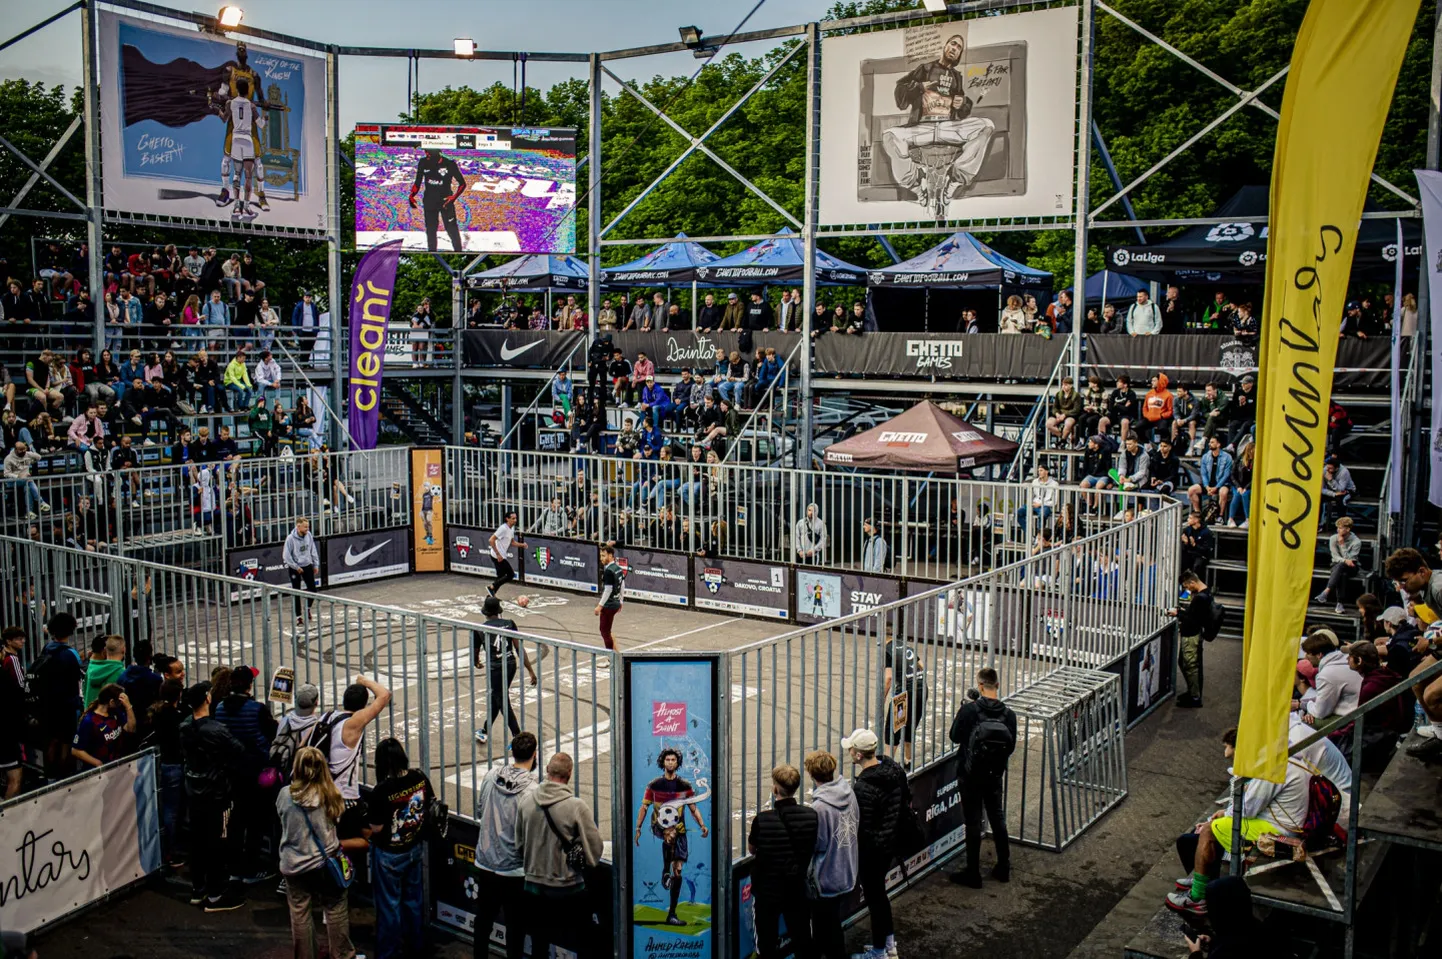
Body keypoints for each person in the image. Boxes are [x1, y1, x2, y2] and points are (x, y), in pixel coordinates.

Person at [1166, 727, 1325, 917]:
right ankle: (1204, 877)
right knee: (1218, 824)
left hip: (1279, 831)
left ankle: (1198, 897)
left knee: (1209, 829)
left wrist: (1226, 814)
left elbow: (1247, 809)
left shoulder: (1272, 767)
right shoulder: (1289, 758)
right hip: (1285, 824)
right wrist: (1227, 812)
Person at [882, 33, 994, 210]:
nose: (954, 49)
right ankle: (917, 185)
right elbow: (900, 92)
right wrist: (919, 87)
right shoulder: (925, 69)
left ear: (959, 54)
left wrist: (962, 103)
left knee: (986, 125)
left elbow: (963, 110)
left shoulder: (956, 77)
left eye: (959, 48)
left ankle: (955, 178)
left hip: (948, 126)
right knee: (889, 136)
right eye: (953, 44)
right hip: (922, 126)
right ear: (945, 46)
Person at [517, 752, 604, 959]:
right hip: (568, 887)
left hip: (534, 886)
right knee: (583, 940)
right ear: (570, 774)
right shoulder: (576, 807)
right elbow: (595, 850)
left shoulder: (527, 802)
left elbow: (519, 844)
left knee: (539, 943)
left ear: (547, 770)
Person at [278, 746, 359, 959]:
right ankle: (342, 954)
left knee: (300, 913)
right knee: (335, 909)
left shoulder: (285, 795)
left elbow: (281, 816)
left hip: (294, 864)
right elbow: (338, 819)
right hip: (325, 863)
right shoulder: (332, 795)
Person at [179, 680, 247, 912]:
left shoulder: (186, 726)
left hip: (194, 790)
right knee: (219, 841)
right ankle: (217, 894)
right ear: (208, 699)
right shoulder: (215, 730)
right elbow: (238, 750)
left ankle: (199, 888)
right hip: (216, 793)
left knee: (197, 842)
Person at [471, 730, 538, 959]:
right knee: (515, 927)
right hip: (514, 868)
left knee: (483, 921)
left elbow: (480, 810)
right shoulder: (533, 790)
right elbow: (533, 833)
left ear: (513, 752)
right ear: (534, 755)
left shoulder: (491, 776)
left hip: (486, 861)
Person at [947, 667, 1016, 887]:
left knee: (973, 822)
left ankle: (973, 872)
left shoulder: (970, 711)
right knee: (998, 818)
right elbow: (1011, 746)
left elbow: (954, 736)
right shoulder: (1009, 715)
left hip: (970, 774)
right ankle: (1003, 866)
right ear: (997, 685)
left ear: (979, 685)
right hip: (994, 774)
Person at [368, 738, 434, 959]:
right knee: (413, 902)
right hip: (414, 848)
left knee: (389, 908)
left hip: (390, 854)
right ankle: (416, 946)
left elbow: (376, 828)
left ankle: (389, 953)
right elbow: (430, 802)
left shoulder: (381, 790)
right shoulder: (419, 777)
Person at [846, 728, 909, 959]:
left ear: (858, 755)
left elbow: (863, 826)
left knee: (876, 900)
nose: (850, 752)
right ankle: (888, 944)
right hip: (890, 841)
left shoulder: (864, 787)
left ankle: (880, 951)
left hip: (874, 850)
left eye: (851, 749)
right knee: (880, 898)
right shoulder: (892, 769)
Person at [746, 763, 818, 959]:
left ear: (775, 788)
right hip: (796, 887)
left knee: (766, 941)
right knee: (803, 937)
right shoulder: (811, 816)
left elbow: (752, 849)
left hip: (768, 890)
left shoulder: (762, 819)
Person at [215, 664, 279, 883]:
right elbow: (272, 733)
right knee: (256, 821)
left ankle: (234, 865)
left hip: (232, 770)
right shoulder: (256, 709)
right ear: (249, 685)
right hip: (255, 771)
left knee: (237, 819)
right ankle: (251, 868)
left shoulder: (221, 707)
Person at [634, 746, 709, 927]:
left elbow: (693, 808)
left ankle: (672, 913)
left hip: (680, 830)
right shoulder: (654, 785)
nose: (670, 762)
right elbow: (644, 807)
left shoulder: (684, 786)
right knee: (671, 833)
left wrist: (702, 825)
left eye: (673, 760)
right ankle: (665, 869)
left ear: (677, 763)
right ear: (663, 762)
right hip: (659, 827)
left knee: (679, 871)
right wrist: (638, 828)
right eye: (667, 760)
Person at [805, 749, 859, 959]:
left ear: (812, 774)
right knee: (830, 922)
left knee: (825, 925)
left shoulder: (819, 807)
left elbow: (818, 843)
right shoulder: (849, 792)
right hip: (847, 868)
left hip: (827, 876)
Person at [472, 596, 537, 744]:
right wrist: (530, 670)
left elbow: (475, 653)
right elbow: (519, 648)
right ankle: (484, 730)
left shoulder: (480, 630)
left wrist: (476, 662)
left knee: (502, 701)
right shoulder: (509, 624)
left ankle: (518, 737)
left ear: (485, 613)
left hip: (495, 668)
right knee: (498, 697)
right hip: (510, 664)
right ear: (499, 611)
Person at [33, 612, 85, 780]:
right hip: (66, 705)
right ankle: (64, 776)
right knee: (66, 741)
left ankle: (50, 776)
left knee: (52, 740)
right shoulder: (71, 654)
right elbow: (77, 678)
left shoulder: (47, 648)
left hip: (47, 704)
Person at [1171, 568, 1217, 707]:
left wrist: (1178, 614)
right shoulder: (1206, 594)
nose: (1187, 590)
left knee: (1190, 666)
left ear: (1192, 582)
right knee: (1185, 663)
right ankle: (1192, 692)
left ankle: (1195, 697)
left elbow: (1193, 619)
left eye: (1187, 586)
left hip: (1191, 635)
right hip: (1194, 634)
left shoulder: (1200, 599)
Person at [1296, 631, 1362, 728]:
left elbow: (1320, 712)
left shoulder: (1326, 675)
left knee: (1303, 723)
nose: (1305, 657)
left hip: (1348, 718)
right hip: (1357, 712)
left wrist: (1303, 706)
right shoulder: (1344, 659)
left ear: (1319, 655)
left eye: (1308, 654)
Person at [72, 682, 135, 769]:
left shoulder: (115, 712)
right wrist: (97, 763)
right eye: (119, 702)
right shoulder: (89, 721)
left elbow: (131, 729)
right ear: (112, 702)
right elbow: (76, 750)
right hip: (98, 773)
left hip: (117, 767)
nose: (121, 704)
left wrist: (128, 707)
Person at [1314, 517, 1361, 614]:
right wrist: (1344, 560)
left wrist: (1342, 545)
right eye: (1337, 528)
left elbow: (1351, 560)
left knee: (1341, 567)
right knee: (1341, 572)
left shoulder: (1356, 542)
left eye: (1340, 528)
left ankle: (1326, 591)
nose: (1338, 530)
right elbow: (1335, 556)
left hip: (1352, 567)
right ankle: (1340, 603)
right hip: (1337, 564)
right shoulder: (1333, 538)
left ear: (1347, 529)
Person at [0, 627, 27, 798]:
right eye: (18, 639)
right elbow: (21, 685)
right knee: (15, 779)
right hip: (8, 730)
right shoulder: (12, 660)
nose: (22, 642)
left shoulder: (4, 659)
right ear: (8, 641)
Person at [284, 517, 322, 627]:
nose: (307, 528)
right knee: (296, 591)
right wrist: (296, 567)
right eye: (305, 527)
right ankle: (298, 617)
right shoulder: (290, 538)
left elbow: (313, 550)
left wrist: (315, 564)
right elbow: (286, 556)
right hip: (295, 568)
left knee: (313, 589)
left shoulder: (309, 535)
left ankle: (307, 608)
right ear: (298, 526)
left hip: (307, 565)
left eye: (308, 526)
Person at [487, 510, 527, 598]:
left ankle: (490, 596)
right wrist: (498, 554)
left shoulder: (511, 529)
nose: (515, 520)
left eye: (516, 518)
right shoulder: (503, 528)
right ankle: (492, 587)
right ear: (507, 519)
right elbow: (491, 540)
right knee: (510, 574)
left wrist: (522, 545)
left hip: (501, 555)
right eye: (513, 518)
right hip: (497, 555)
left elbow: (512, 542)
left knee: (501, 576)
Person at [83, 633, 126, 709]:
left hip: (89, 715)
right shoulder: (117, 671)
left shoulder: (90, 667)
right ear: (104, 652)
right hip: (107, 718)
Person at [596, 543, 626, 652]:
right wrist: (621, 601)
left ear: (611, 556)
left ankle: (611, 658)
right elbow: (622, 585)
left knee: (604, 631)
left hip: (609, 605)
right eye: (601, 555)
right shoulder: (617, 568)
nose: (601, 558)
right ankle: (616, 653)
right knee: (608, 631)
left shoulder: (609, 571)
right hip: (616, 603)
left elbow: (608, 590)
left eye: (604, 556)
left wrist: (599, 606)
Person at [1016, 463, 1058, 537]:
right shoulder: (1035, 481)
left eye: (1041, 470)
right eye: (1039, 471)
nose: (1039, 472)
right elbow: (1032, 494)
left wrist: (1041, 504)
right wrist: (1031, 502)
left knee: (1042, 515)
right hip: (1034, 503)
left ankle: (1039, 536)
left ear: (1047, 471)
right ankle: (1029, 535)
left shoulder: (1054, 484)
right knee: (1018, 513)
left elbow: (1054, 502)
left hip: (1045, 505)